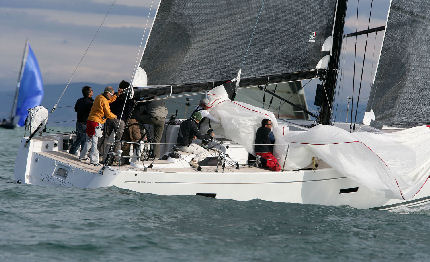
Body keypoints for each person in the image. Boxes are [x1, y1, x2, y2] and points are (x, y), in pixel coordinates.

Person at [80, 86, 121, 165]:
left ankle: (83, 156)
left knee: (89, 140)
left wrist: (116, 95)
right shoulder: (104, 101)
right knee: (95, 142)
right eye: (111, 95)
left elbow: (108, 101)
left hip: (90, 121)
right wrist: (115, 116)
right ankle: (94, 161)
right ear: (108, 93)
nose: (112, 96)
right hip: (96, 122)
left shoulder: (99, 97)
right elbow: (108, 114)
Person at [102, 80, 134, 163]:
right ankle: (116, 159)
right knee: (118, 140)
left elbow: (110, 105)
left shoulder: (116, 96)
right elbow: (128, 111)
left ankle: (104, 157)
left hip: (110, 118)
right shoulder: (129, 98)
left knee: (106, 138)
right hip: (120, 120)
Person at [69, 86, 93, 155]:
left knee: (79, 138)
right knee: (83, 140)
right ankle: (82, 154)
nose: (92, 91)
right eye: (91, 90)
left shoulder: (79, 100)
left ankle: (73, 152)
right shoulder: (90, 102)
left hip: (78, 122)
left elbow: (76, 109)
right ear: (89, 93)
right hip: (85, 123)